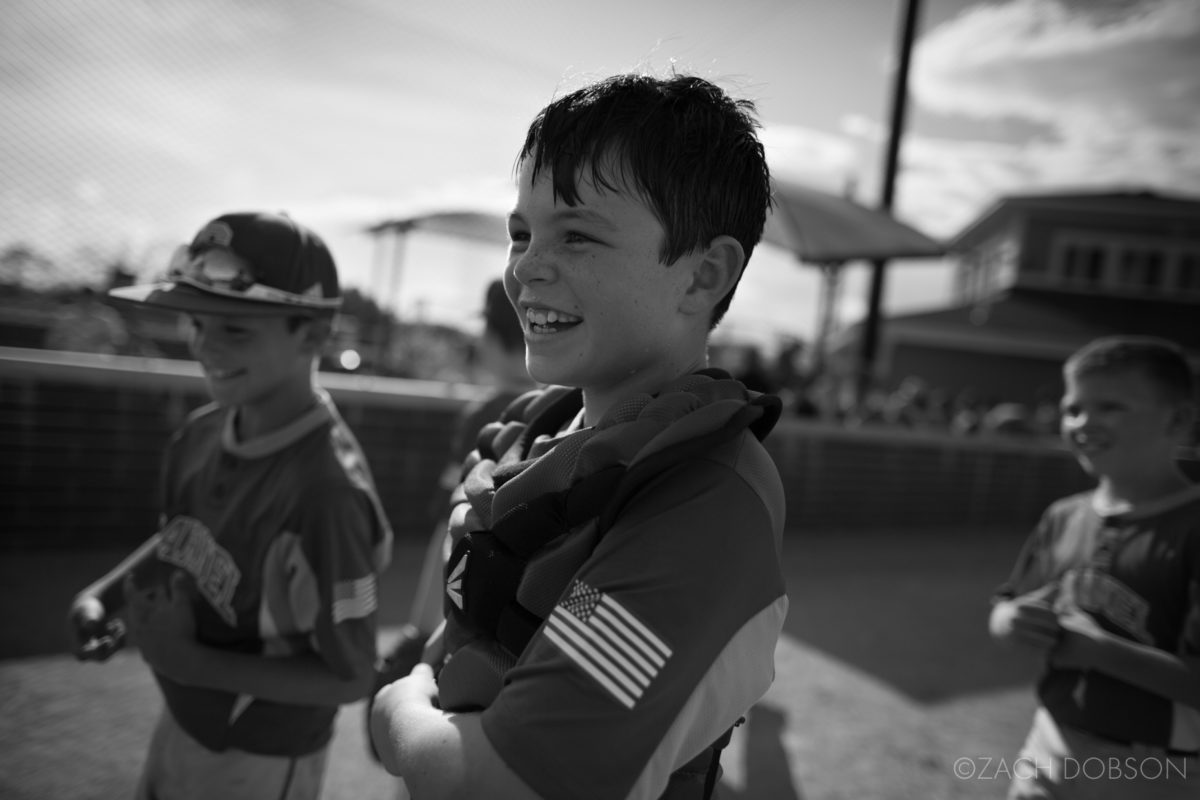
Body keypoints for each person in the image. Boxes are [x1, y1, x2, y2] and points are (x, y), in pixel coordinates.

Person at [369, 72, 788, 800]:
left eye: (579, 235)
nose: (527, 266)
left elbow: (498, 780)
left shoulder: (709, 500)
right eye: (521, 232)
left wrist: (395, 711)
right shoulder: (540, 429)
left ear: (703, 276)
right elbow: (465, 636)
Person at [67, 211, 393, 800]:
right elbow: (182, 537)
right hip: (184, 719)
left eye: (236, 330)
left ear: (314, 335)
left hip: (265, 759)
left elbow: (349, 676)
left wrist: (187, 662)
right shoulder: (198, 433)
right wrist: (101, 596)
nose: (206, 345)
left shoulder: (328, 492)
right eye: (196, 321)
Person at [989, 335, 1200, 799]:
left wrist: (1096, 650)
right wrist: (1009, 621)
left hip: (1159, 768)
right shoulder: (1064, 515)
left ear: (1180, 419)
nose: (1083, 423)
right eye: (1073, 408)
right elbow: (1010, 602)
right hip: (1049, 739)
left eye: (1110, 407)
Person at [366, 278, 536, 759]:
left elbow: (452, 536)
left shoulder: (485, 414)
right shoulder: (575, 410)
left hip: (462, 627)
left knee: (430, 758)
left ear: (497, 333)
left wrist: (419, 633)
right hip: (526, 633)